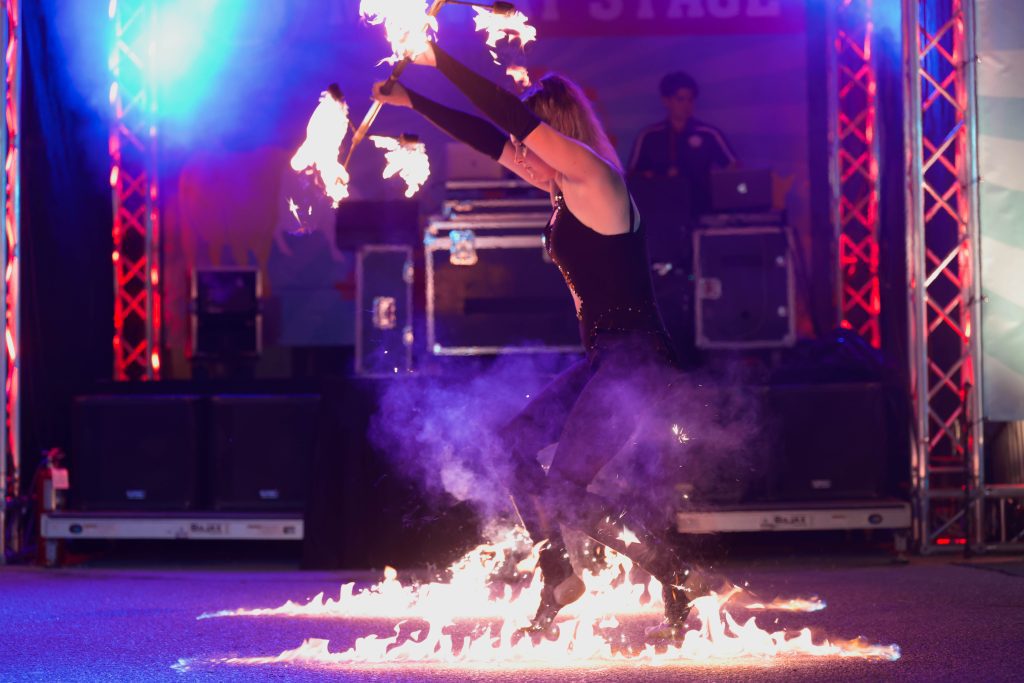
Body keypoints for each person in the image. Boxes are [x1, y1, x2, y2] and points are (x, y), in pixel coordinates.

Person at [372, 43, 704, 640]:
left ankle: (675, 571)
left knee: (567, 489)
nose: (520, 159)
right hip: (606, 358)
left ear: (558, 132)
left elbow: (507, 119)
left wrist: (438, 61)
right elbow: (490, 137)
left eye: (531, 144)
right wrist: (412, 99)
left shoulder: (595, 177)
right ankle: (557, 571)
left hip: (637, 360)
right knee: (510, 447)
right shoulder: (563, 188)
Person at [628, 72, 737, 368]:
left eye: (690, 99)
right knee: (665, 286)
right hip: (662, 230)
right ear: (666, 101)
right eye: (680, 99)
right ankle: (666, 349)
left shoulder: (708, 134)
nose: (686, 105)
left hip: (701, 221)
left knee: (706, 280)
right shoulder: (649, 137)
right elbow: (632, 177)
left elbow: (734, 171)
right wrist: (660, 180)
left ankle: (708, 347)